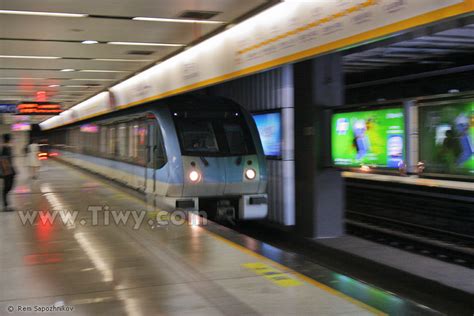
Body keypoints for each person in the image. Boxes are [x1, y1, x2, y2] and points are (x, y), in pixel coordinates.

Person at [1, 134, 16, 211]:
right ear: (9, 140)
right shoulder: (4, 148)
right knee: (7, 188)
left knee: (8, 187)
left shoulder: (8, 147)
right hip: (7, 171)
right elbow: (4, 161)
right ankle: (5, 206)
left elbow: (9, 160)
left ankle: (6, 205)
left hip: (9, 171)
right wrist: (8, 171)